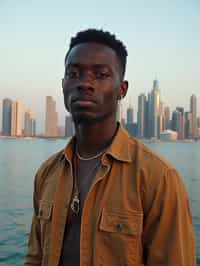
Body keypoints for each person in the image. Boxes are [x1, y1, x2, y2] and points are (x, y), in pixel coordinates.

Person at [24, 29, 196, 266]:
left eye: (100, 74)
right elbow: (35, 258)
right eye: (73, 73)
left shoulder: (158, 179)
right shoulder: (46, 174)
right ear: (64, 85)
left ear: (122, 90)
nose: (84, 83)